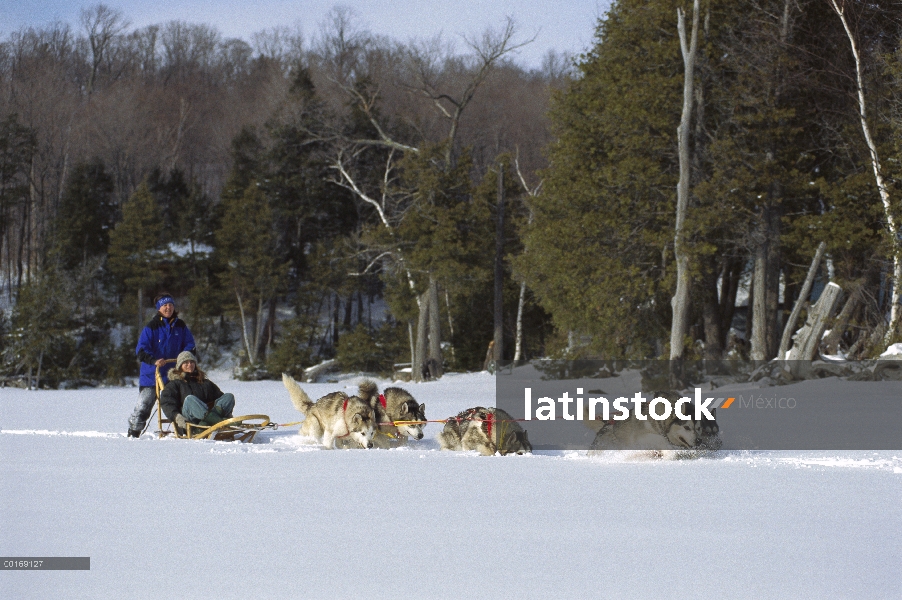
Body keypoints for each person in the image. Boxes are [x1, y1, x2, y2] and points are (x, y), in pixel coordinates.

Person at [126, 293, 197, 438]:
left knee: (180, 402)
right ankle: (133, 432)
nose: (168, 308)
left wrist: (183, 357)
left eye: (170, 305)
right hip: (152, 375)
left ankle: (184, 430)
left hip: (173, 373)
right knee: (144, 406)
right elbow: (141, 350)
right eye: (165, 305)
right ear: (159, 308)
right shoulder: (151, 327)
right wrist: (154, 360)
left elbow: (190, 344)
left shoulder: (180, 326)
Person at [159, 351, 235, 436]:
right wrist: (176, 417)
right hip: (189, 421)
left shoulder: (205, 382)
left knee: (229, 397)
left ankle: (206, 423)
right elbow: (166, 402)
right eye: (186, 362)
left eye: (192, 362)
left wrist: (227, 413)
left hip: (207, 416)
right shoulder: (175, 384)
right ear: (180, 366)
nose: (189, 364)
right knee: (190, 399)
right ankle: (220, 422)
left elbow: (220, 398)